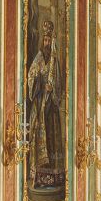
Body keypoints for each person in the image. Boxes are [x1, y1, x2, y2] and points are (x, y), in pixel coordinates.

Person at [27, 20, 65, 189]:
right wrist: (42, 86)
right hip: (41, 103)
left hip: (52, 107)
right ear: (42, 41)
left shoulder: (54, 60)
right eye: (45, 40)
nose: (47, 43)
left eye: (49, 40)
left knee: (52, 138)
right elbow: (31, 77)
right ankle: (40, 177)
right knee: (41, 137)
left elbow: (59, 81)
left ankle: (54, 177)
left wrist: (53, 88)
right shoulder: (39, 57)